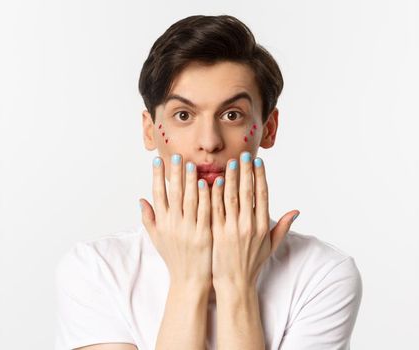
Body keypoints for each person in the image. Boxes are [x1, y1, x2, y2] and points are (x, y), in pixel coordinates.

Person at [55, 15, 363, 350]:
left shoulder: (321, 274)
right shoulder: (97, 271)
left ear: (268, 128)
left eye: (232, 115)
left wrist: (237, 286)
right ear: (149, 129)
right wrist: (189, 283)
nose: (209, 142)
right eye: (183, 115)